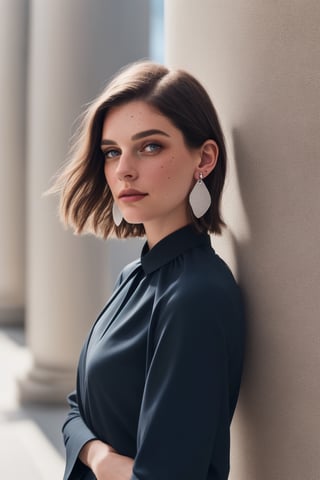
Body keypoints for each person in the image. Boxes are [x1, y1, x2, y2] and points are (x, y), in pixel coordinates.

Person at [53, 61, 245, 480]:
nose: (123, 169)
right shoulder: (135, 277)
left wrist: (89, 446)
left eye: (150, 146)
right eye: (111, 152)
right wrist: (100, 457)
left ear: (205, 158)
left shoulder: (197, 296)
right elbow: (74, 408)